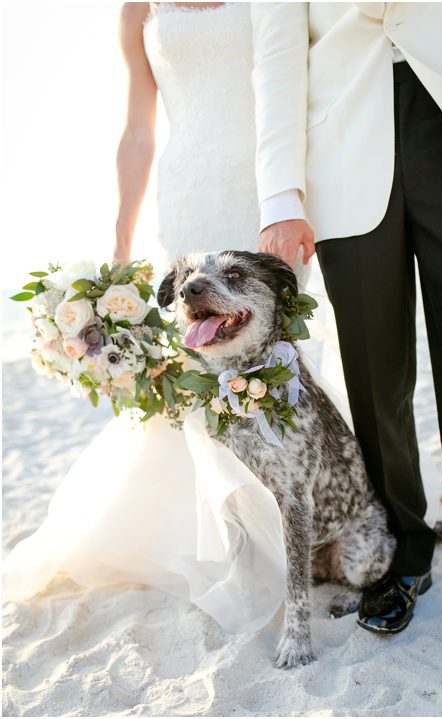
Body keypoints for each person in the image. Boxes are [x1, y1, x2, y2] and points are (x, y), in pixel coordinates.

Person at [4, 2, 309, 633]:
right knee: (196, 359)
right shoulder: (138, 9)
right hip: (191, 186)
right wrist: (121, 242)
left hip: (267, 184)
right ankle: (217, 535)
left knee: (273, 348)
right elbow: (138, 130)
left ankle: (290, 513)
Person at [249, 3, 442, 632]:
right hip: (343, 150)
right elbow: (275, 60)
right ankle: (406, 547)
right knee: (376, 374)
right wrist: (280, 195)